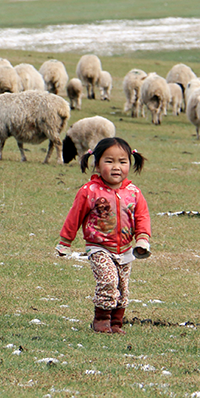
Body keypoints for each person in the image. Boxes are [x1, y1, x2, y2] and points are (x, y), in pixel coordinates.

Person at [56, 137, 151, 334]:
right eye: (109, 161)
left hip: (125, 249)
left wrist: (142, 238)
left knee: (123, 288)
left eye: (122, 162)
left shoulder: (134, 193)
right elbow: (74, 216)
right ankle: (101, 319)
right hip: (98, 247)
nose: (116, 167)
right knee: (108, 281)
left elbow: (142, 216)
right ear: (97, 164)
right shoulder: (89, 191)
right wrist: (65, 241)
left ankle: (116, 323)